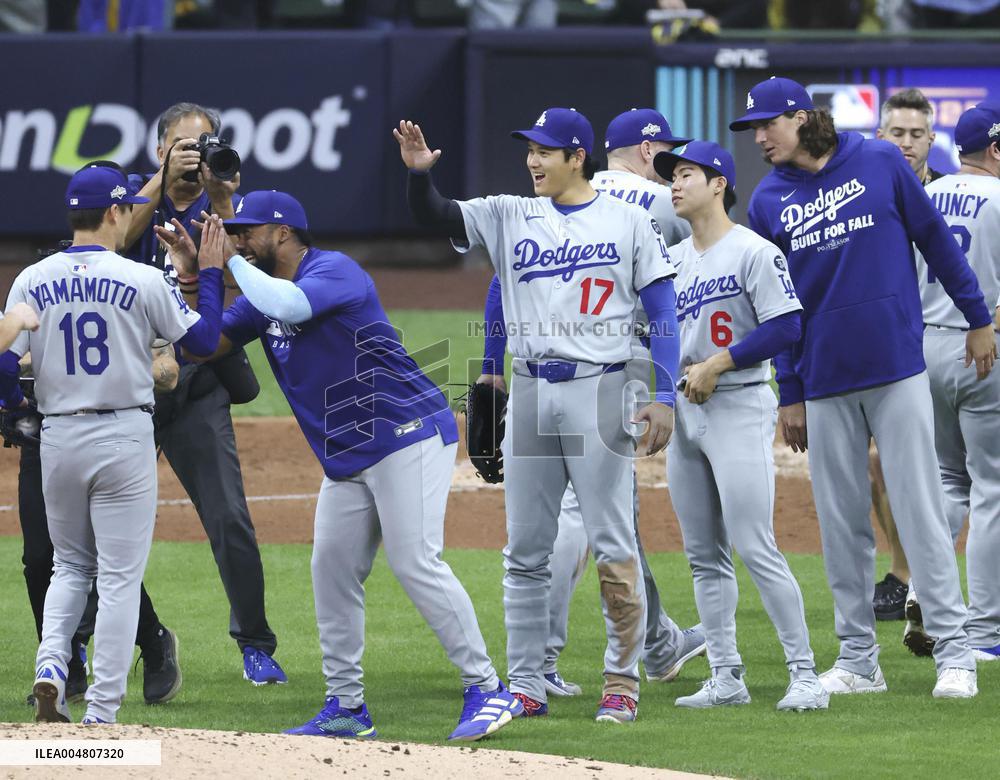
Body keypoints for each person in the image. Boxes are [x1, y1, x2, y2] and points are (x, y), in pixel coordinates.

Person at [157, 197, 522, 742]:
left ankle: (488, 688)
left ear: (282, 233)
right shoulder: (261, 297)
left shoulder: (332, 271)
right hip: (348, 456)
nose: (233, 239)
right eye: (229, 233)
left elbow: (293, 305)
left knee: (415, 561)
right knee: (331, 572)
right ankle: (347, 707)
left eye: (243, 231)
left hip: (407, 435)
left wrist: (223, 265)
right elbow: (204, 344)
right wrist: (193, 276)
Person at [395, 109, 680, 724]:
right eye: (529, 148)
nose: (532, 159)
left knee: (612, 544)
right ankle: (525, 683)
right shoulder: (507, 213)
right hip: (529, 393)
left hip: (601, 392)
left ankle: (621, 682)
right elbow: (437, 215)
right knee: (524, 549)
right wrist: (420, 176)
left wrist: (666, 395)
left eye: (545, 150)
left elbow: (663, 309)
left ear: (577, 156)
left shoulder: (630, 221)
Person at [732, 76, 994, 699]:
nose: (760, 137)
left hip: (897, 368)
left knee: (922, 510)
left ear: (801, 117)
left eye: (768, 124)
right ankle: (857, 658)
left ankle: (955, 654)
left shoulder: (877, 159)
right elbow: (777, 307)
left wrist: (979, 319)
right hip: (823, 381)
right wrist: (789, 390)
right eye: (752, 129)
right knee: (840, 522)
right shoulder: (767, 200)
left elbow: (933, 240)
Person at [478, 108, 704, 700]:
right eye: (668, 159)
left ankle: (625, 654)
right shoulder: (650, 207)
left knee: (565, 534)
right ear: (650, 151)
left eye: (542, 150)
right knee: (604, 530)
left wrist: (487, 369)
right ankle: (594, 661)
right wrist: (662, 391)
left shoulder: (544, 209)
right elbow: (694, 271)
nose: (674, 173)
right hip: (609, 374)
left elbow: (500, 288)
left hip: (557, 377)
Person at [1, 164, 224, 724]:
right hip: (122, 435)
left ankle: (52, 666)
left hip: (58, 438)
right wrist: (209, 273)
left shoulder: (31, 279)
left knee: (69, 568)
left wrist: (16, 408)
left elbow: (5, 364)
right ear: (114, 213)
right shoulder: (141, 278)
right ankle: (101, 714)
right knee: (120, 577)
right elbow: (201, 342)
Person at [651, 141, 827, 711]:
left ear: (719, 182)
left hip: (739, 405)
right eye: (671, 176)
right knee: (704, 554)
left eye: (684, 174)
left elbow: (787, 326)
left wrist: (720, 362)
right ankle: (727, 676)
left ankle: (804, 676)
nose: (673, 185)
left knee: (756, 545)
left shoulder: (753, 250)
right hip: (687, 414)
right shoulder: (671, 261)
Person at [125, 102, 285, 685]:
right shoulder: (133, 199)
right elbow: (114, 238)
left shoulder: (229, 208)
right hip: (129, 386)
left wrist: (222, 201)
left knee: (228, 518)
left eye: (205, 143)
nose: (196, 154)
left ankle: (256, 645)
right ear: (160, 149)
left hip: (197, 383)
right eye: (182, 145)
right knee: (95, 526)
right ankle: (131, 638)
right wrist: (160, 180)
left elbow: (256, 272)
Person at [913, 104, 1000, 663]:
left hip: (924, 348)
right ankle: (987, 630)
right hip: (982, 346)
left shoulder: (929, 195)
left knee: (947, 481)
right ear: (995, 150)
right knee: (992, 488)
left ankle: (926, 594)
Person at [864, 88, 944, 624]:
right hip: (891, 347)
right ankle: (904, 574)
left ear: (932, 139)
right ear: (881, 137)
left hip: (950, 345)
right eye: (899, 133)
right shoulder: (867, 192)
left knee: (952, 472)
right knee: (877, 464)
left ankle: (929, 581)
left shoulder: (953, 194)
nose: (908, 143)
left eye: (917, 135)